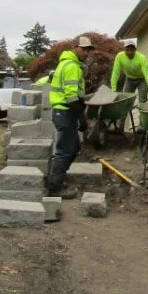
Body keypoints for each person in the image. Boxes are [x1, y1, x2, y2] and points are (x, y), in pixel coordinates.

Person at [45, 36, 93, 196]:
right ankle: (54, 188)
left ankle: (56, 179)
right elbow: (71, 96)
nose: (86, 53)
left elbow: (75, 94)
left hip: (64, 111)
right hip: (64, 110)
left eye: (88, 50)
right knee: (65, 149)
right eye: (84, 49)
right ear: (76, 48)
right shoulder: (72, 66)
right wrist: (82, 117)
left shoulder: (66, 63)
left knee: (73, 148)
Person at [109, 38, 148, 103]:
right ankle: (126, 113)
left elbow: (147, 74)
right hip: (129, 80)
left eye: (132, 50)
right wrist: (113, 89)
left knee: (142, 101)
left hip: (142, 80)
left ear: (135, 50)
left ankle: (142, 111)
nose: (129, 52)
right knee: (126, 100)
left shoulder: (141, 58)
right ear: (124, 50)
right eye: (127, 50)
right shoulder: (119, 56)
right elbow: (115, 72)